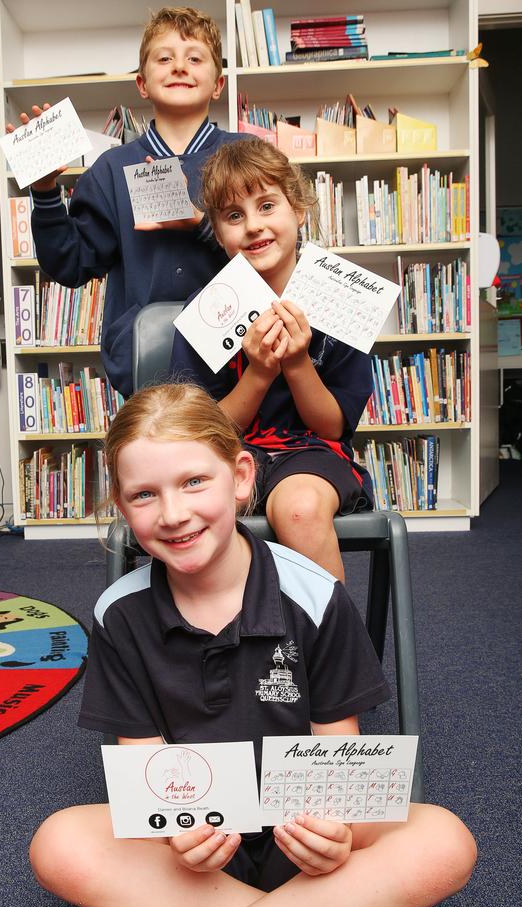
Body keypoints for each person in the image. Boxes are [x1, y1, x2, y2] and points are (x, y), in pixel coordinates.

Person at [29, 383, 476, 907]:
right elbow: (145, 771)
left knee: (446, 842)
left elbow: (337, 766)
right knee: (58, 846)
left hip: (300, 832)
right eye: (144, 495)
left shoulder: (317, 594)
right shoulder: (117, 614)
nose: (174, 513)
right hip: (198, 848)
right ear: (122, 506)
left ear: (241, 477)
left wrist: (333, 832)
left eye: (193, 482)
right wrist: (176, 838)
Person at [8, 7, 246, 398]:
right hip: (142, 364)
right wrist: (47, 191)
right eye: (164, 58)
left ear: (218, 84)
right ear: (142, 84)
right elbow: (70, 263)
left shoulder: (247, 155)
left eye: (195, 58)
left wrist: (204, 223)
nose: (180, 67)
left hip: (236, 361)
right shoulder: (111, 169)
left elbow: (281, 252)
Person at [170, 138, 375, 580]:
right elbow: (204, 434)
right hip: (227, 455)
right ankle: (220, 641)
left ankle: (329, 646)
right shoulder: (205, 312)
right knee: (183, 510)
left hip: (312, 453)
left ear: (298, 210)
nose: (253, 226)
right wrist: (259, 373)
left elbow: (332, 426)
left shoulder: (340, 301)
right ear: (217, 232)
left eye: (267, 206)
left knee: (299, 508)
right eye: (233, 216)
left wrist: (297, 362)